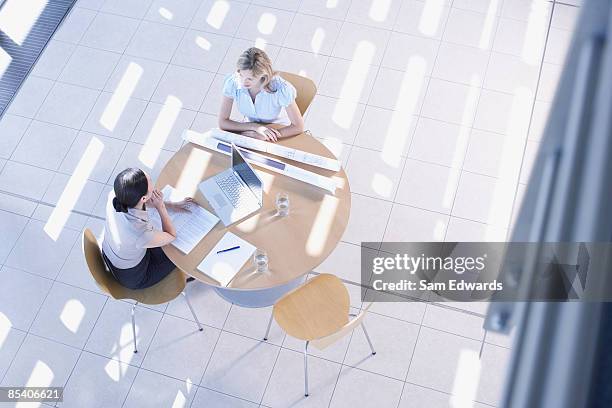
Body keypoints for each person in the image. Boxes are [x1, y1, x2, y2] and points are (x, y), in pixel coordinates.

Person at [101, 168, 193, 289]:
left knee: (164, 244)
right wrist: (161, 207)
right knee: (182, 254)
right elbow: (171, 235)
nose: (154, 188)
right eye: (151, 187)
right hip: (134, 275)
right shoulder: (139, 232)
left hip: (113, 253)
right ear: (143, 198)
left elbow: (141, 201)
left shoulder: (117, 192)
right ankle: (188, 276)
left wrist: (172, 205)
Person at [219, 47, 305, 142]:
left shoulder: (280, 89)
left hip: (278, 131)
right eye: (241, 75)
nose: (243, 82)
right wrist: (255, 127)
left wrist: (264, 136)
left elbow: (298, 127)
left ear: (263, 76)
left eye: (250, 78)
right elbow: (223, 122)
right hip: (252, 130)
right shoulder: (233, 82)